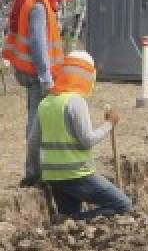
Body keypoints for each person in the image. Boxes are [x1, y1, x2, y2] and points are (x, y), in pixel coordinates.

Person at [3, 0, 85, 186]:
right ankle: (33, 174)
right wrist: (46, 77)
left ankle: (36, 170)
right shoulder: (39, 3)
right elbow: (38, 43)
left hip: (31, 71)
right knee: (37, 123)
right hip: (36, 73)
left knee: (37, 120)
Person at [27, 50, 133, 220]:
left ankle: (69, 219)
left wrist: (33, 174)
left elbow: (32, 143)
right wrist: (109, 124)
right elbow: (87, 141)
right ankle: (73, 220)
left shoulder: (46, 102)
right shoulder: (75, 102)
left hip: (53, 178)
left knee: (70, 215)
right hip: (77, 175)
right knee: (124, 206)